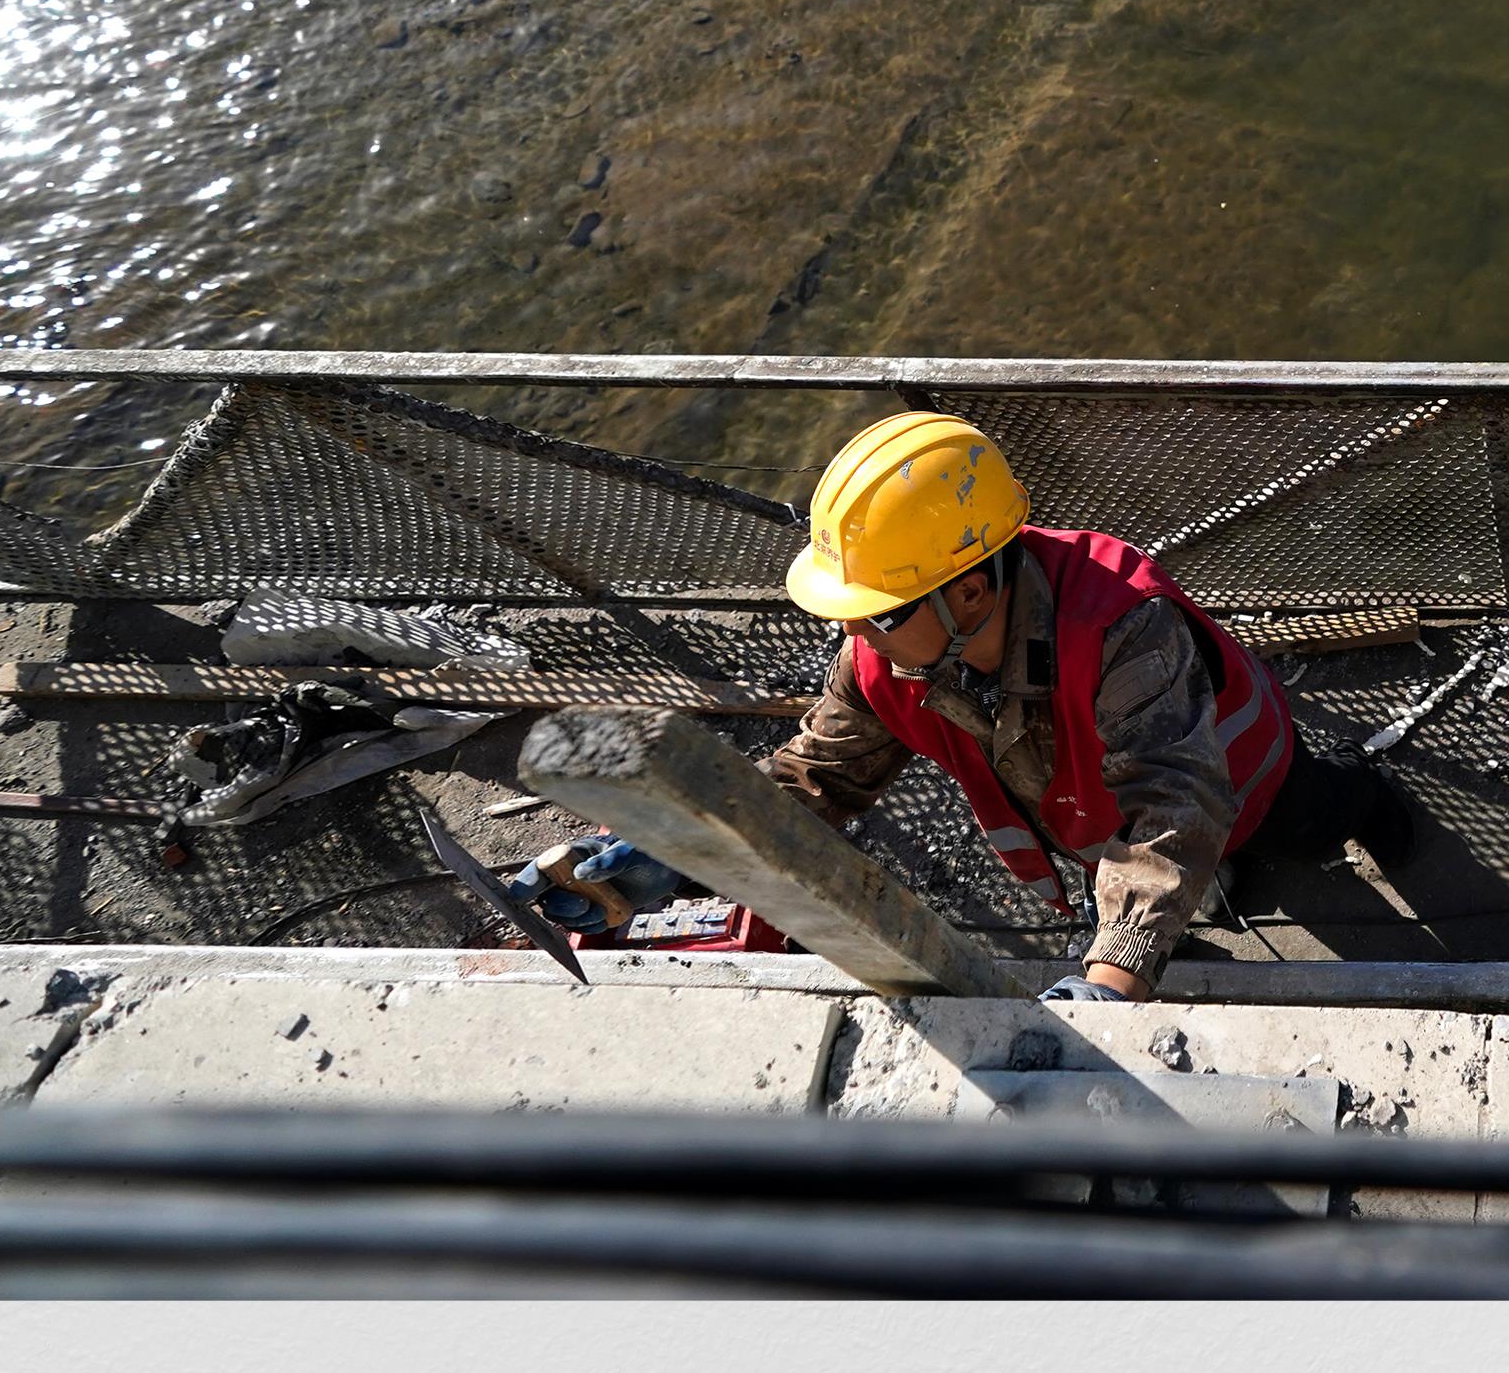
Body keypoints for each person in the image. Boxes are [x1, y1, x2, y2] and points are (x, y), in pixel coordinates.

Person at [510, 411, 1413, 1001]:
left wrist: (1113, 979)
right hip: (1090, 817)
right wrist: (682, 851)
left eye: (880, 612)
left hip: (1248, 781)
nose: (859, 635)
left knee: (1321, 814)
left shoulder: (1122, 629)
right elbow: (818, 778)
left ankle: (1382, 808)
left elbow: (1179, 804)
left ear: (969, 595)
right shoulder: (879, 664)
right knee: (1164, 887)